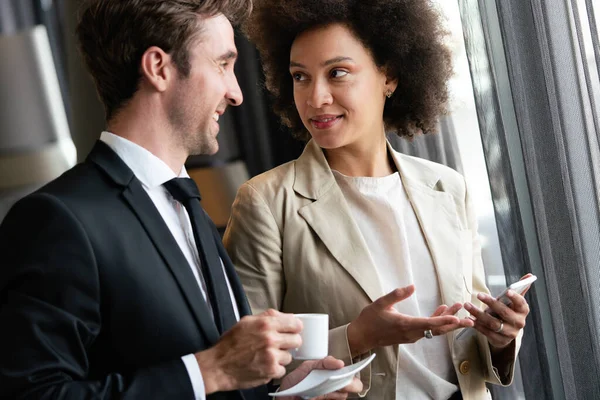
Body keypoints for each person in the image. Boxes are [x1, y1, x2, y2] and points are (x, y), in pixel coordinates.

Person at [0, 1, 362, 399]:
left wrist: (287, 396)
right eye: (223, 64)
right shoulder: (56, 220)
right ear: (159, 68)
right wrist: (211, 370)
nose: (237, 93)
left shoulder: (190, 209)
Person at [223, 0, 531, 399]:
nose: (316, 98)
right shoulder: (266, 202)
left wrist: (500, 335)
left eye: (337, 73)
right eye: (300, 77)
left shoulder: (447, 187)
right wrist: (355, 337)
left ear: (390, 75)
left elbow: (466, 340)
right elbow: (246, 358)